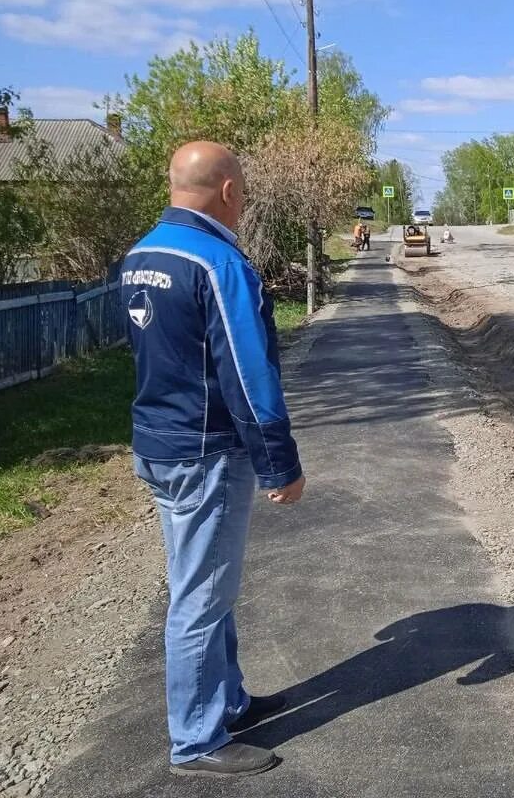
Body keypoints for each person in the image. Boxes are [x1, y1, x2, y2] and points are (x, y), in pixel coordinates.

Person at [120, 141, 306, 776]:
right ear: (228, 190)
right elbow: (249, 376)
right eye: (244, 189)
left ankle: (227, 701)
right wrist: (280, 461)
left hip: (159, 444)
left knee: (199, 584)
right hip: (207, 453)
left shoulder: (141, 255)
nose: (246, 199)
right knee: (201, 595)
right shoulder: (219, 263)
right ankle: (196, 741)